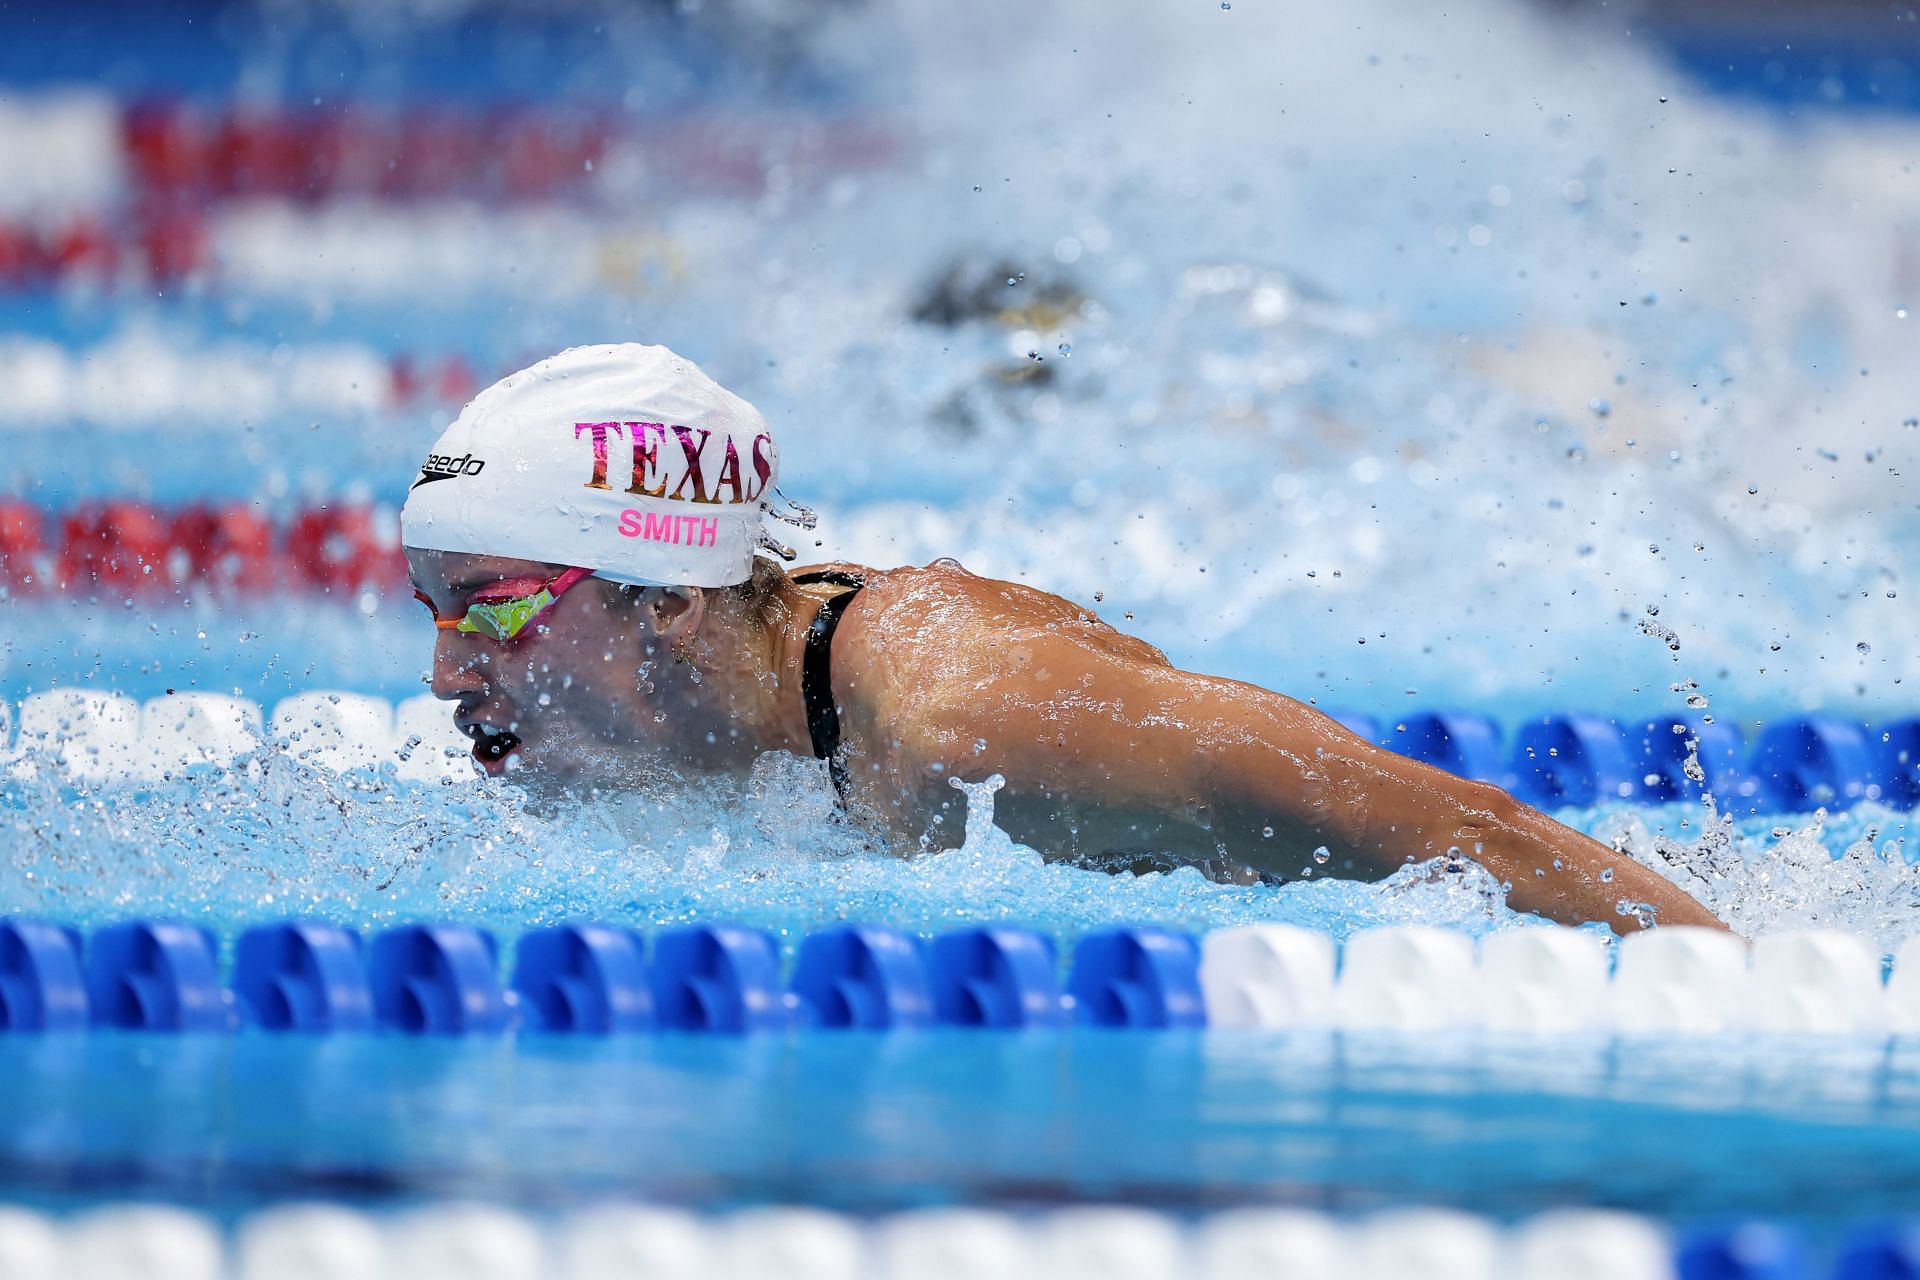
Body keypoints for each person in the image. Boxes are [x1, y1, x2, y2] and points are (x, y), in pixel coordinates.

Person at [403, 344, 1724, 935]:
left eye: (496, 608)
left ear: (671, 597)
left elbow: (1468, 833)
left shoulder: (973, 725)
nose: (451, 673)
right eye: (440, 611)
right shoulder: (732, 719)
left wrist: (1729, 983)